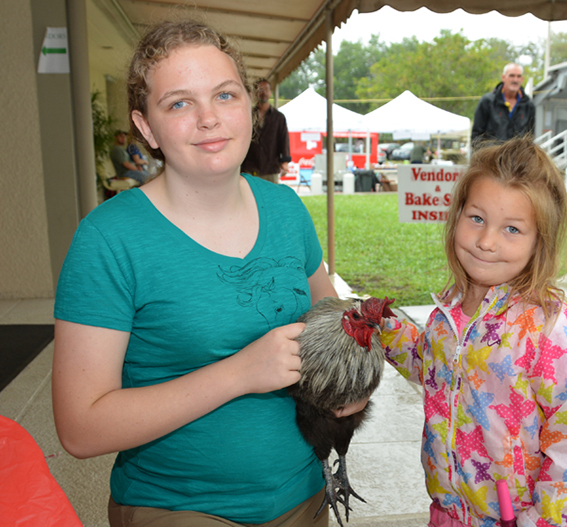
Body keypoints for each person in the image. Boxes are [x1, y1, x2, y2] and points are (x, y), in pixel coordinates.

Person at [52, 20, 363, 527]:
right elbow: (80, 428)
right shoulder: (108, 239)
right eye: (179, 103)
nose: (209, 118)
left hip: (306, 496)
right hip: (180, 506)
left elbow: (337, 326)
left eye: (224, 95)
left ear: (251, 106)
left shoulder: (286, 210)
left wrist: (353, 379)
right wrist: (239, 373)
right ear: (146, 128)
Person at [380, 137, 567, 527]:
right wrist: (384, 329)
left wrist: (540, 520)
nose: (485, 242)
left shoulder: (552, 332)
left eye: (512, 229)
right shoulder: (450, 310)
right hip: (449, 513)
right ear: (457, 216)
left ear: (540, 242)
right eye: (476, 219)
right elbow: (433, 365)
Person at [471, 63, 535, 146]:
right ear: (503, 77)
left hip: (518, 154)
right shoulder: (488, 101)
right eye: (511, 76)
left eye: (518, 76)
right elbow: (476, 136)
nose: (515, 80)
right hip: (492, 153)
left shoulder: (529, 105)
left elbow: (530, 137)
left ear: (522, 79)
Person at [240, 78, 291, 183]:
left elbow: (284, 139)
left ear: (270, 92)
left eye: (266, 89)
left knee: (271, 193)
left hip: (270, 167)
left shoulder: (278, 117)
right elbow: (241, 138)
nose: (263, 93)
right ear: (255, 93)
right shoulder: (247, 115)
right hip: (249, 167)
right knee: (249, 192)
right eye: (260, 89)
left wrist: (285, 161)